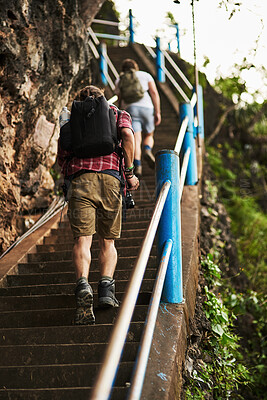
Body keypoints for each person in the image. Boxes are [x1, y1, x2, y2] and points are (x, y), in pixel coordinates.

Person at [57, 85, 139, 325]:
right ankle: (106, 289)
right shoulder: (116, 112)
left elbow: (63, 152)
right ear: (103, 97)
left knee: (83, 240)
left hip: (80, 180)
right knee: (108, 240)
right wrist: (130, 172)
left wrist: (67, 174)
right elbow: (127, 136)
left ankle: (83, 285)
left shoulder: (71, 117)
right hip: (111, 179)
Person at [115, 58, 161, 177]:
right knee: (149, 134)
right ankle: (147, 149)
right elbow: (154, 93)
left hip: (130, 109)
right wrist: (157, 112)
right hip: (147, 107)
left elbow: (119, 99)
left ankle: (138, 165)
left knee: (136, 138)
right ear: (136, 67)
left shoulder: (120, 79)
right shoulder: (145, 75)